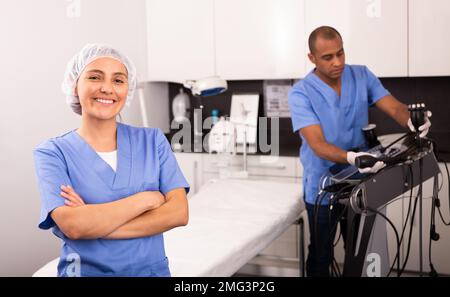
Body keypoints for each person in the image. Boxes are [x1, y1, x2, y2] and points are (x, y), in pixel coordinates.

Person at [33, 44, 189, 277]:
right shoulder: (53, 153)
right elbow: (74, 226)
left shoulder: (152, 141)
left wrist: (94, 222)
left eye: (118, 80)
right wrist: (145, 200)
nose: (107, 88)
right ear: (75, 85)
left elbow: (178, 213)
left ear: (128, 88)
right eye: (95, 77)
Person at [288, 26, 431, 277]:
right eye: (328, 57)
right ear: (311, 58)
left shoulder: (361, 75)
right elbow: (318, 144)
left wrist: (413, 120)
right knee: (321, 255)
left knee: (362, 251)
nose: (338, 62)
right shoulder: (301, 93)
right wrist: (351, 157)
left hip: (362, 182)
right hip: (322, 186)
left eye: (341, 53)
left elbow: (395, 107)